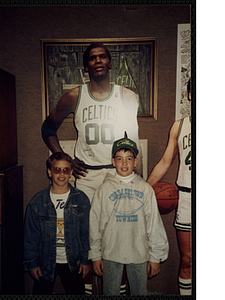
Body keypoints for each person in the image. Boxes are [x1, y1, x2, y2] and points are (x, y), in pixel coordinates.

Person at [41, 43, 142, 294]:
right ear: (86, 66)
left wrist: (139, 180)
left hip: (116, 175)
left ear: (110, 63)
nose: (98, 61)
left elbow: (134, 142)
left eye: (103, 57)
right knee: (84, 240)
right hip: (86, 176)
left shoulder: (126, 96)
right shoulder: (75, 96)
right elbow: (48, 128)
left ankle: (115, 290)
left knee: (117, 237)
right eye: (92, 58)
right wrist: (62, 155)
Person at [89, 136, 169, 295]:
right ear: (113, 161)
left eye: (129, 159)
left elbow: (154, 223)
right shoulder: (104, 189)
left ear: (136, 162)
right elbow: (95, 223)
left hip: (139, 251)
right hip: (110, 252)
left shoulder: (145, 189)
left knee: (139, 292)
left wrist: (155, 256)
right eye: (119, 159)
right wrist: (95, 254)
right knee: (110, 292)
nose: (124, 163)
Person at [147, 79, 192, 295]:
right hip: (187, 198)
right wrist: (145, 189)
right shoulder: (180, 125)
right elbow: (165, 162)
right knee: (187, 260)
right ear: (190, 95)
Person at [23, 152, 91, 295]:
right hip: (45, 262)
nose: (62, 174)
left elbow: (86, 233)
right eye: (56, 169)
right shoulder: (37, 202)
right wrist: (32, 263)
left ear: (71, 172)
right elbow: (30, 237)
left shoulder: (81, 199)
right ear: (49, 172)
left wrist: (86, 259)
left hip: (73, 263)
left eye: (66, 169)